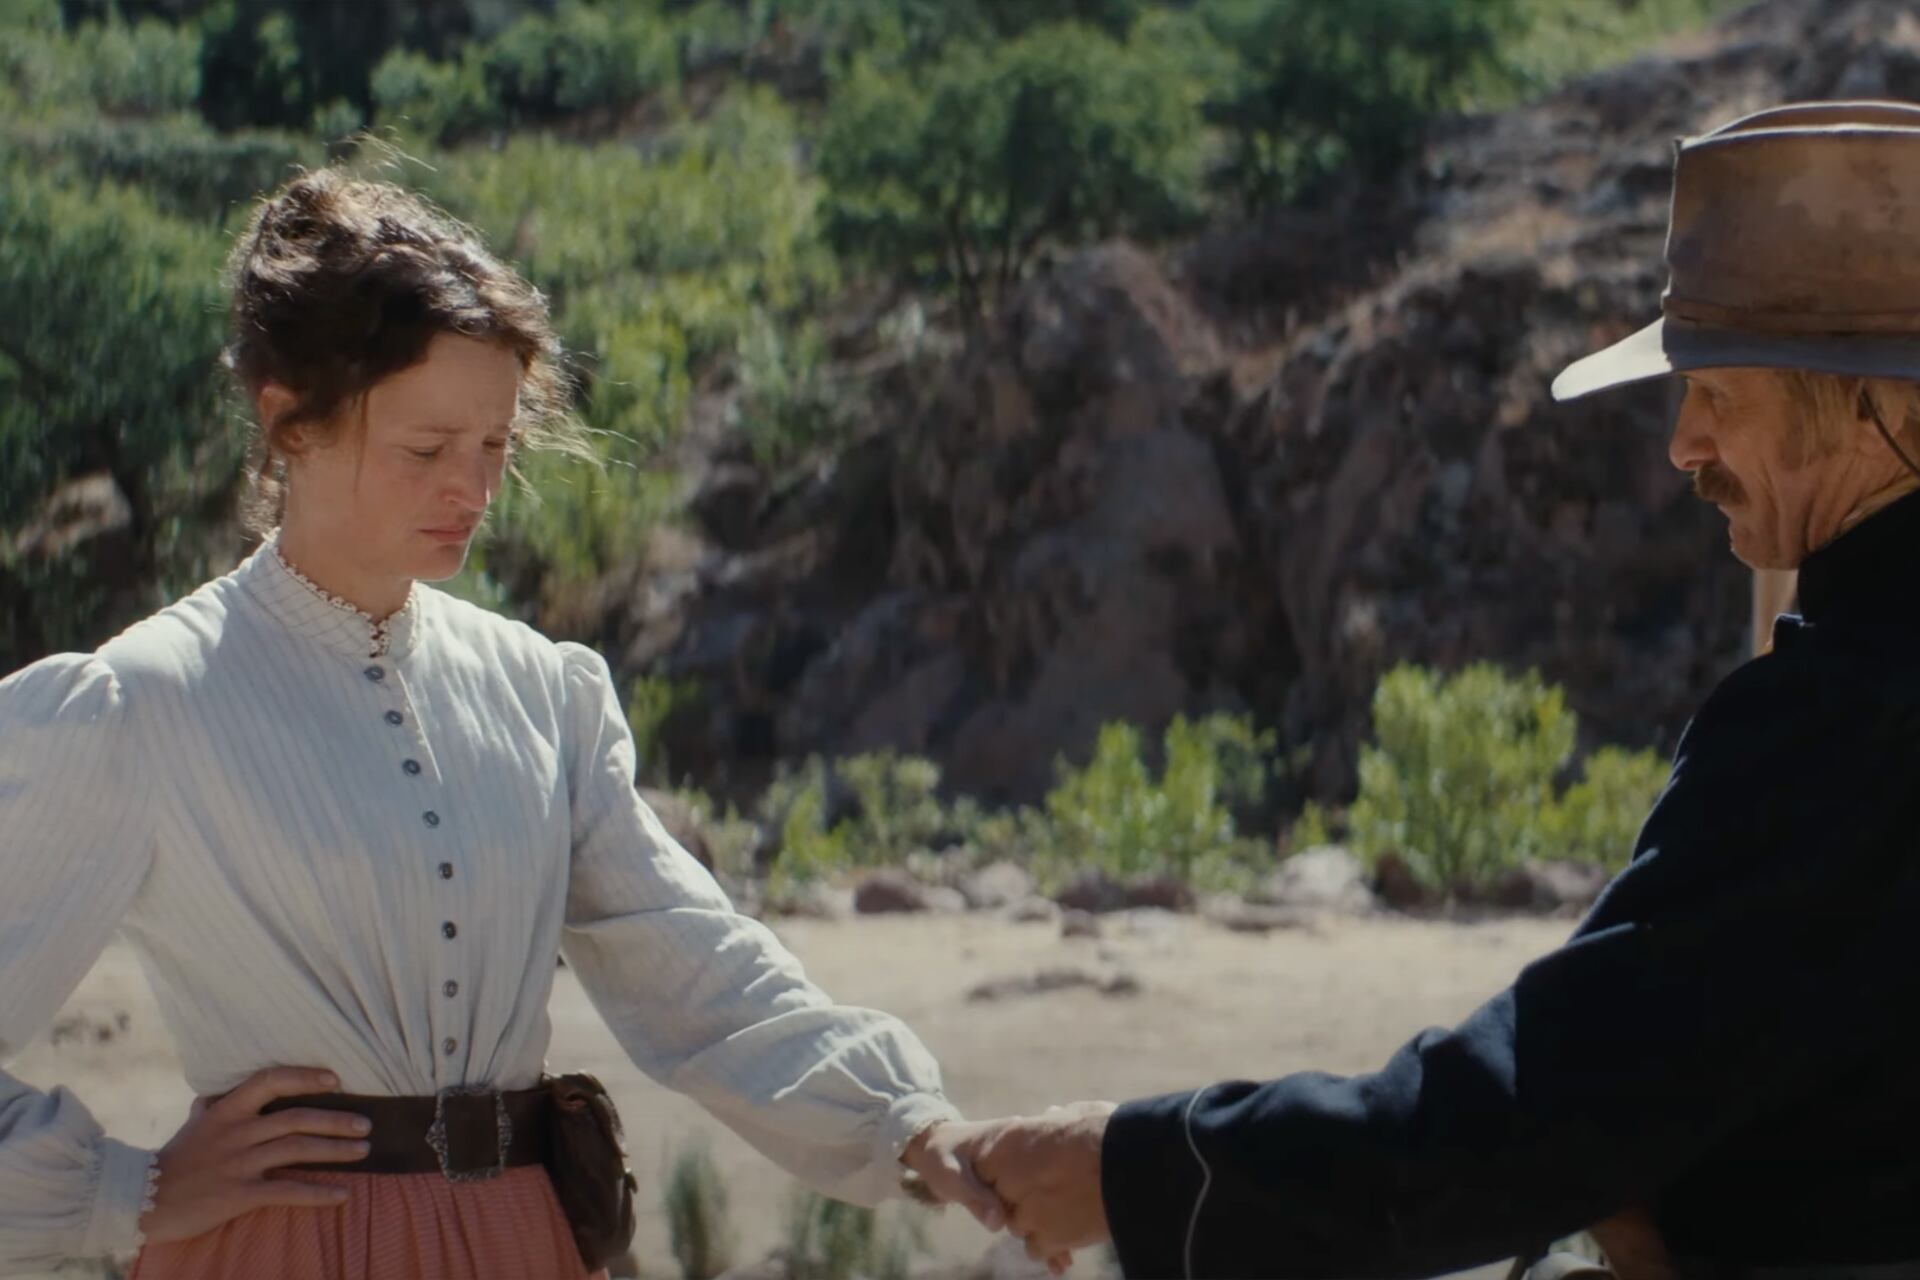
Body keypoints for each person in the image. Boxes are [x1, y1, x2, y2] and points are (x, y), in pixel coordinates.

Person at [949, 100, 1920, 1279]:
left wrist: (1131, 1164)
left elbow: (1528, 1117)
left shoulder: (1848, 718)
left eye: (1717, 391)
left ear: (1875, 407)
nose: (1682, 444)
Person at [0, 168, 1005, 1279]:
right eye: (427, 449)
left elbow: (693, 962)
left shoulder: (540, 689)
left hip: (526, 1241)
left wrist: (912, 1123)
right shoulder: (138, 705)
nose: (471, 488)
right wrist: (122, 1188)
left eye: (492, 446)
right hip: (280, 1249)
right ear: (287, 420)